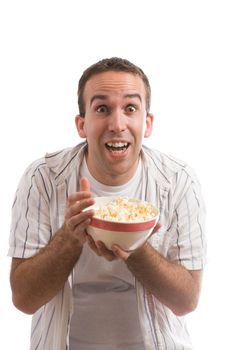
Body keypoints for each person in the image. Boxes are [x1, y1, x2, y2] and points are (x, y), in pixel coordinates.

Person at [8, 57, 206, 350]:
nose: (117, 124)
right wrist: (69, 238)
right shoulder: (43, 179)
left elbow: (187, 300)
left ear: (147, 123)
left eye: (130, 108)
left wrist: (137, 249)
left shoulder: (179, 181)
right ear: (81, 124)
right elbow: (24, 299)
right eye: (102, 108)